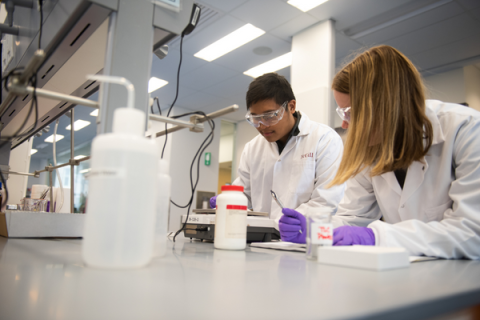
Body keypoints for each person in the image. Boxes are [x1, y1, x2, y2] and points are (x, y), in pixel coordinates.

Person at [281, 45, 480, 259]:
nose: (345, 125)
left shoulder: (466, 130)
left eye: (350, 112)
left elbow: (471, 232)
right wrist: (317, 230)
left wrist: (375, 237)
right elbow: (354, 217)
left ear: (386, 104)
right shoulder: (371, 150)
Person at [211, 73, 345, 242]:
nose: (262, 125)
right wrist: (229, 201)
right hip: (260, 243)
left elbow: (326, 200)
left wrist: (299, 221)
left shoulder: (324, 139)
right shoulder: (252, 148)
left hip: (303, 242)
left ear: (291, 106)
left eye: (269, 116)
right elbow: (245, 195)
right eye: (255, 118)